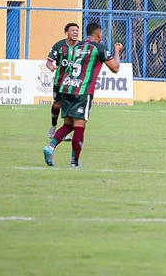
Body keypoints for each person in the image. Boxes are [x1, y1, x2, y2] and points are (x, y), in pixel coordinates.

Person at [43, 23, 122, 168]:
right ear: (99, 34)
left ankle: (50, 147)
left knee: (68, 125)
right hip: (82, 91)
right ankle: (74, 162)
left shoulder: (75, 47)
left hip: (66, 87)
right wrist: (117, 51)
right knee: (79, 126)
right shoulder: (99, 48)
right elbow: (115, 68)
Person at [45, 23, 80, 139]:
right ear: (67, 33)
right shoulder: (59, 45)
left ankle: (66, 131)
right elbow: (49, 61)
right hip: (60, 82)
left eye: (77, 30)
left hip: (75, 82)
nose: (75, 32)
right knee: (57, 104)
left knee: (71, 105)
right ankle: (53, 125)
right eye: (73, 30)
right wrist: (51, 67)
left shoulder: (82, 47)